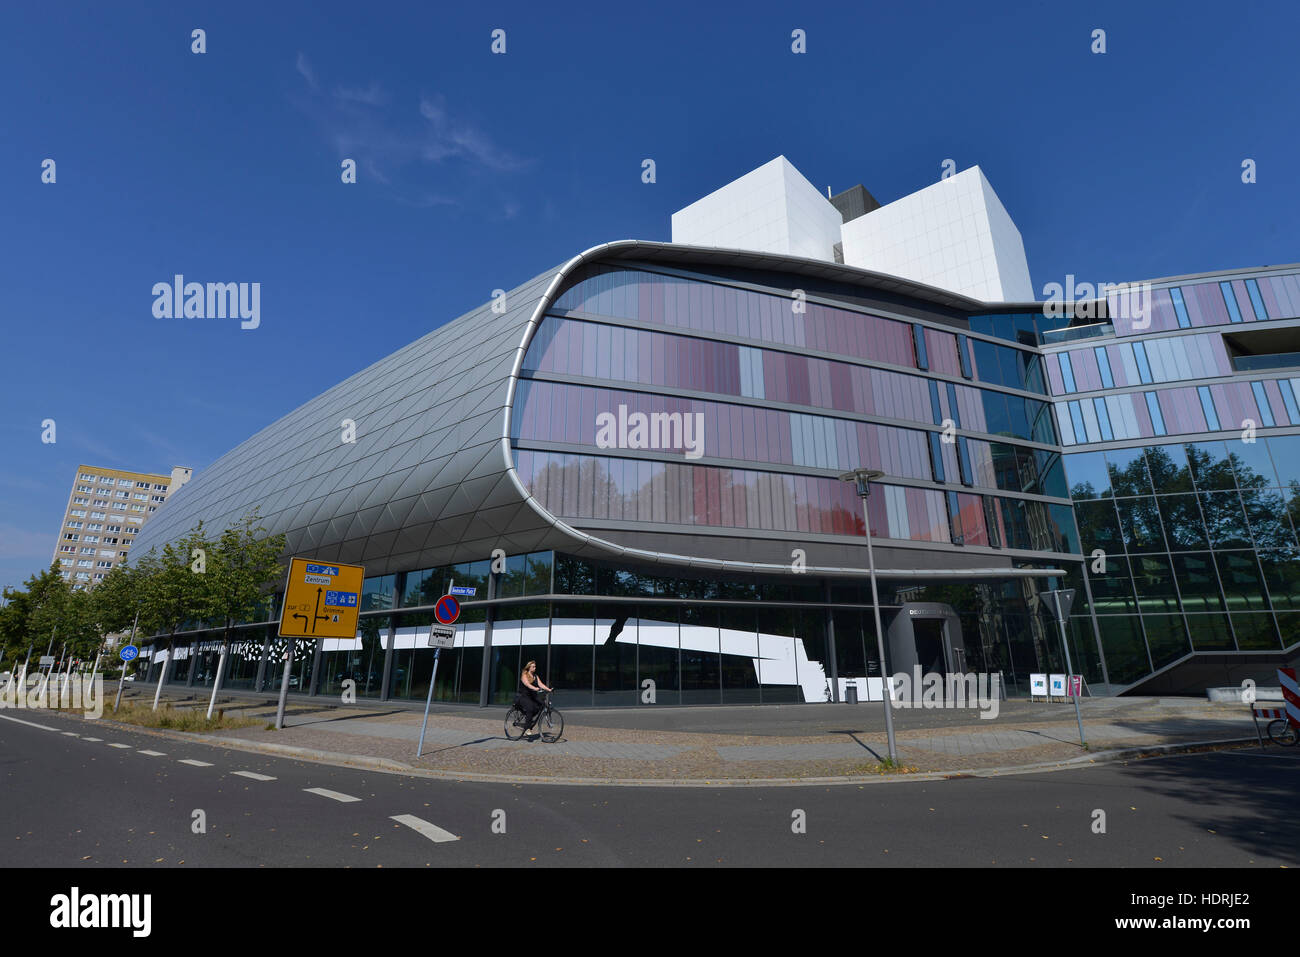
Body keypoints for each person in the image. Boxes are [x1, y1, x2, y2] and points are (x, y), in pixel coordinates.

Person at [516, 660, 552, 738]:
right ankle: (527, 728)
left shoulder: (535, 676)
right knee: (530, 708)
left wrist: (548, 689)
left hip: (532, 696)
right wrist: (535, 688)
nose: (535, 668)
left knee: (541, 704)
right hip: (523, 696)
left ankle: (529, 720)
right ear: (529, 667)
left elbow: (540, 684)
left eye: (535, 666)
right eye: (533, 666)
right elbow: (527, 684)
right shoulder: (524, 675)